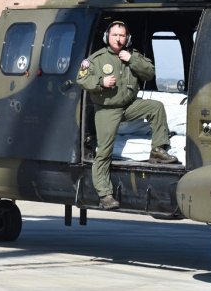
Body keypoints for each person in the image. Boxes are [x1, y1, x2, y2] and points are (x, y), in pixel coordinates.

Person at [76, 21, 178, 210]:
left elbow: (150, 73)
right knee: (104, 151)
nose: (118, 39)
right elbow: (81, 78)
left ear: (127, 38)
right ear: (108, 37)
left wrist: (131, 59)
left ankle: (157, 150)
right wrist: (101, 81)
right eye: (115, 35)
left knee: (155, 107)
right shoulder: (96, 59)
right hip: (107, 109)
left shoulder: (133, 55)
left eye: (122, 35)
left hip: (129, 105)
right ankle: (105, 195)